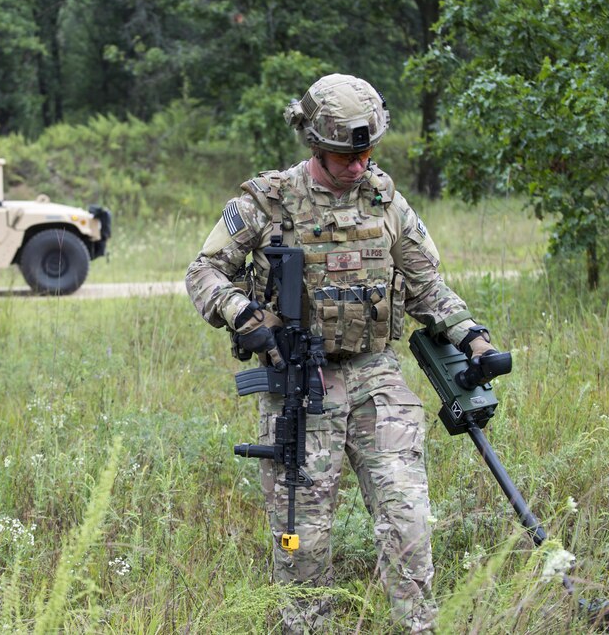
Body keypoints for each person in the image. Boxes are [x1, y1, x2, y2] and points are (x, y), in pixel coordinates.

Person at [185, 74, 496, 633]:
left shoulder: (385, 200)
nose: (356, 166)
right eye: (341, 157)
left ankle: (417, 625)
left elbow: (428, 287)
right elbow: (203, 272)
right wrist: (245, 316)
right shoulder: (269, 202)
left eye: (365, 154)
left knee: (409, 519)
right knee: (303, 542)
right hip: (301, 385)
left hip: (376, 377)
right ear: (313, 145)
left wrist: (472, 335)